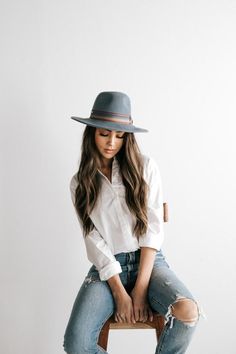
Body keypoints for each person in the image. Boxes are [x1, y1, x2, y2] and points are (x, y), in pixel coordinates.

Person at [63, 91, 206, 354]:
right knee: (76, 343)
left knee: (188, 311)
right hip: (106, 270)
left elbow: (153, 229)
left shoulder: (145, 167)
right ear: (92, 133)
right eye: (104, 133)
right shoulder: (79, 183)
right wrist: (118, 290)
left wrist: (140, 288)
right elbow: (92, 238)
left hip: (149, 263)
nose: (111, 142)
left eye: (119, 135)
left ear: (127, 136)